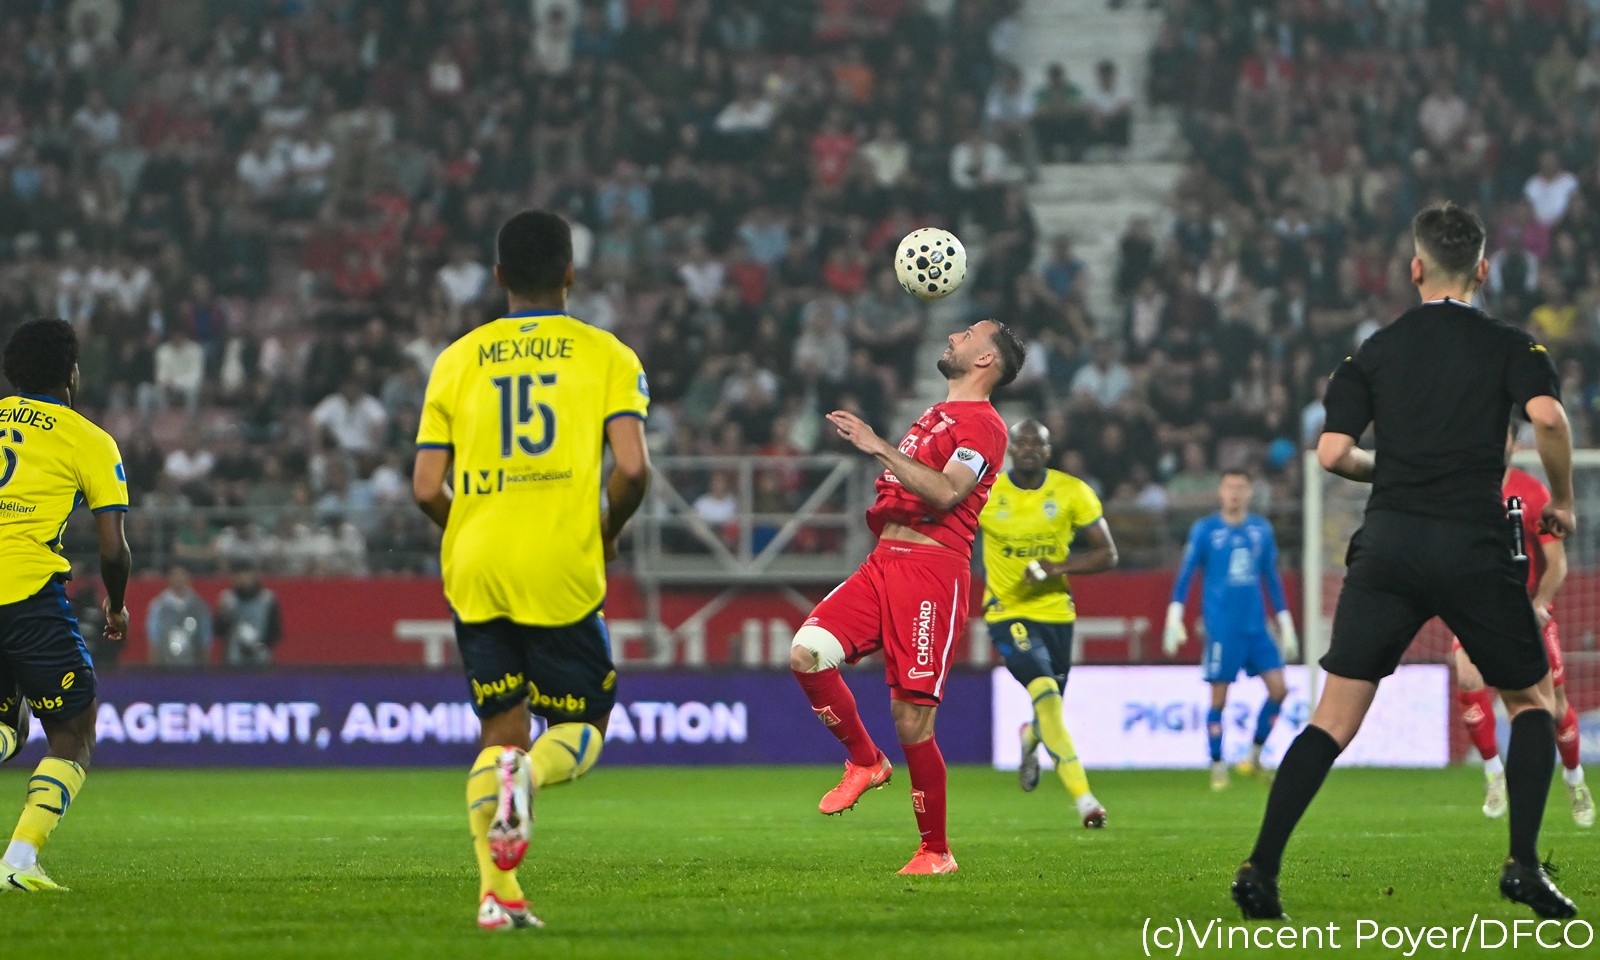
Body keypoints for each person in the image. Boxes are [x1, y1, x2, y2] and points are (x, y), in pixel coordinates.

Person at [1232, 203, 1579, 920]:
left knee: (1332, 719)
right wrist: (1565, 500)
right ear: (1483, 270)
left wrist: (1388, 471)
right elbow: (1548, 418)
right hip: (1471, 544)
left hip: (1388, 544)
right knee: (1531, 703)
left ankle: (1260, 870)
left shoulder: (1372, 351)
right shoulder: (1512, 346)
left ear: (1415, 269)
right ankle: (1521, 865)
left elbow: (1332, 454)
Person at [413, 210, 651, 930]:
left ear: (498, 277)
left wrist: (471, 527)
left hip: (474, 561)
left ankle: (499, 895)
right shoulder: (607, 355)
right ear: (571, 272)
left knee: (499, 732)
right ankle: (532, 774)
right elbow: (632, 469)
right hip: (559, 560)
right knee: (579, 725)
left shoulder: (456, 359)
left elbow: (425, 487)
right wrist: (605, 531)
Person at [790, 319, 1025, 875]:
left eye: (969, 334)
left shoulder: (986, 426)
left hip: (931, 573)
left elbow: (947, 491)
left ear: (986, 360)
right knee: (807, 653)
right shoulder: (937, 412)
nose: (955, 335)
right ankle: (865, 761)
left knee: (912, 720)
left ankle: (935, 852)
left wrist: (876, 445)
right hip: (883, 562)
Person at [0, 317, 131, 892]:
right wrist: (116, 606)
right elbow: (113, 549)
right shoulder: (89, 439)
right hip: (25, 590)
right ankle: (18, 863)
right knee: (73, 729)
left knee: (6, 726)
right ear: (72, 374)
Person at [977, 419, 1116, 826]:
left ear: (1048, 450)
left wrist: (1057, 567)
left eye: (1037, 443)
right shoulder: (986, 493)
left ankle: (1030, 736)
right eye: (1021, 442)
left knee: (1049, 707)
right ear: (1010, 449)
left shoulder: (1072, 492)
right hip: (1007, 612)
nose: (1028, 448)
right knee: (1047, 694)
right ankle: (1086, 801)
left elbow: (1107, 554)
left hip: (1056, 613)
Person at [1455, 427, 1592, 827]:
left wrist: (1539, 603)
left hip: (1527, 610)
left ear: (1513, 444)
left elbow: (1557, 563)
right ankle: (1493, 773)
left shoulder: (1533, 493)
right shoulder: (1465, 494)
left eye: (1501, 436)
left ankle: (1574, 779)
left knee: (1556, 707)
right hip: (1482, 609)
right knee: (1467, 677)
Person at [1164, 470, 1298, 790]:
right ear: (1220, 492)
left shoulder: (1261, 530)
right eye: (1229, 487)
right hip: (1223, 629)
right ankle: (1217, 764)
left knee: (1279, 689)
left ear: (1249, 492)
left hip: (1257, 627)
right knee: (1219, 699)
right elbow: (1187, 573)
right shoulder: (1206, 530)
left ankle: (1253, 755)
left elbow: (1271, 578)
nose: (1234, 493)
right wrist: (1174, 614)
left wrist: (1285, 621)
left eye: (1240, 487)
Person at [145, 566, 213, 668]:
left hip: (193, 665)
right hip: (165, 665)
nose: (178, 579)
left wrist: (205, 667)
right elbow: (154, 638)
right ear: (169, 578)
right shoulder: (158, 606)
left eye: (182, 575)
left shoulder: (199, 606)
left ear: (188, 577)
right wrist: (154, 668)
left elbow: (205, 639)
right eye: (175, 575)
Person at [216, 566, 283, 667]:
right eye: (239, 576)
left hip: (261, 658)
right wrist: (223, 617)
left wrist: (260, 646)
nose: (243, 579)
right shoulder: (227, 599)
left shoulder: (267, 599)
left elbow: (275, 630)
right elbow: (219, 631)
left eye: (246, 576)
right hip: (234, 657)